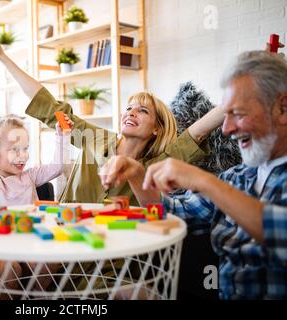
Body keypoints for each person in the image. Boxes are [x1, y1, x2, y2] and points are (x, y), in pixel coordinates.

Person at [100, 50, 287, 299]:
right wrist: (137, 175)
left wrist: (203, 180)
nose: (227, 129)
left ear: (282, 109)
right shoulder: (238, 178)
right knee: (121, 294)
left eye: (238, 114)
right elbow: (172, 210)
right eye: (226, 114)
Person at [0, 32, 224, 206]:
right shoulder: (94, 138)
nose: (131, 112)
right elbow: (48, 106)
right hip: (63, 240)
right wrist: (3, 57)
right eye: (129, 107)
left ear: (156, 129)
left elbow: (198, 132)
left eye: (143, 111)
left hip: (112, 256)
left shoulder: (157, 165)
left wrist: (243, 96)